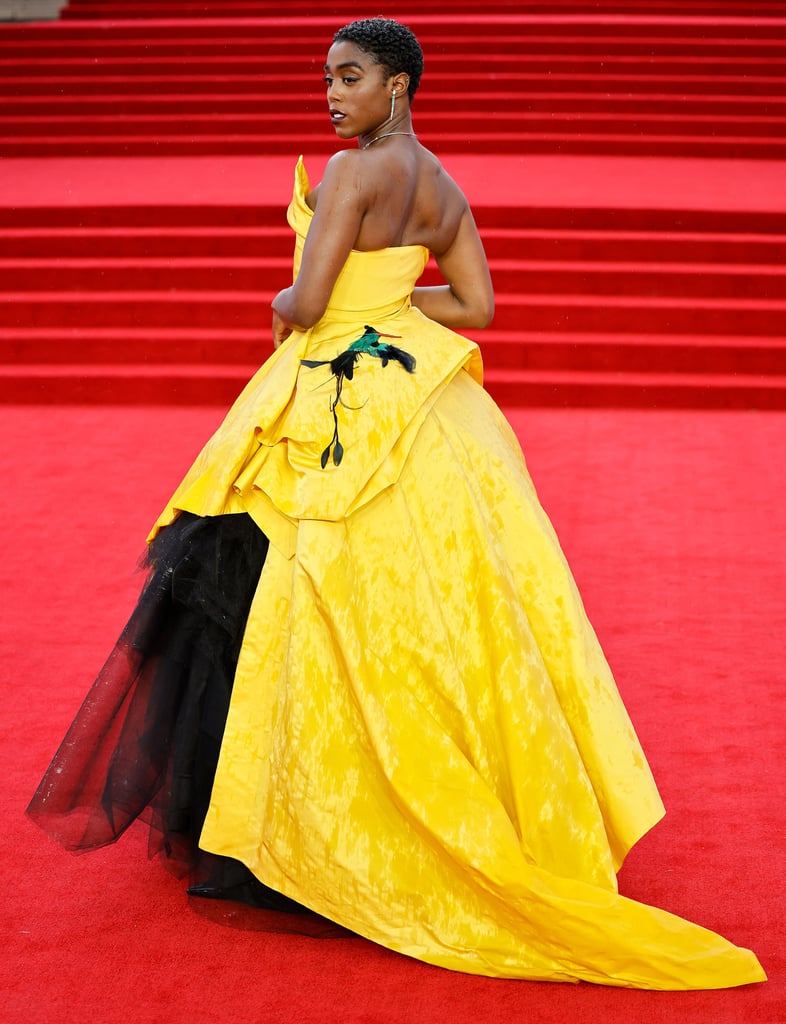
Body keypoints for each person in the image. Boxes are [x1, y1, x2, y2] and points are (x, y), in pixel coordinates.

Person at [28, 18, 765, 989]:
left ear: (399, 86)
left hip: (332, 399)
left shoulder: (349, 178)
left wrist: (297, 308)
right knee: (428, 614)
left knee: (280, 589)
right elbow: (477, 306)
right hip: (420, 401)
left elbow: (306, 295)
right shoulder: (444, 187)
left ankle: (291, 827)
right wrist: (398, 312)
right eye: (327, 78)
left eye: (351, 77)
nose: (332, 95)